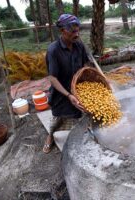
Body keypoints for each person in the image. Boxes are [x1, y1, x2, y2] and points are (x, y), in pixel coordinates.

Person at [43, 14, 93, 153]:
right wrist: (68, 95)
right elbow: (52, 78)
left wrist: (89, 78)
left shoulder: (79, 45)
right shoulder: (53, 50)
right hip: (61, 91)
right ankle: (50, 136)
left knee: (79, 114)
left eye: (78, 31)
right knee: (57, 118)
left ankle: (82, 134)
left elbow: (85, 64)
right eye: (73, 31)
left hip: (77, 88)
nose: (77, 34)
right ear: (62, 31)